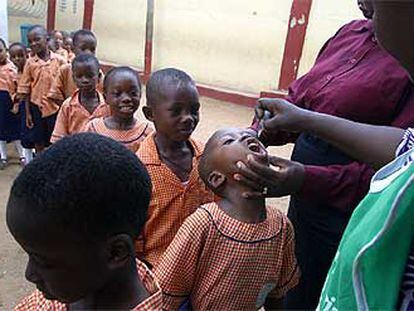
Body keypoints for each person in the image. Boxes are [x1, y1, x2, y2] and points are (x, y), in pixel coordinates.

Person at [237, 1, 414, 308]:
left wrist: (306, 177)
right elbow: (303, 97)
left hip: (345, 209)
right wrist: (264, 128)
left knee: (331, 287)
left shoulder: (404, 65)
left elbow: (398, 161)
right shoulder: (348, 34)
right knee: (297, 279)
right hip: (305, 200)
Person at [9, 133, 162, 310]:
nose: (29, 275)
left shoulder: (72, 286)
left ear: (115, 252)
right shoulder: (68, 292)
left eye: (44, 262)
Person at [155, 127, 300, 310]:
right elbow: (169, 288)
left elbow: (278, 292)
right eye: (229, 141)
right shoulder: (204, 223)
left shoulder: (281, 225)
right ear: (217, 179)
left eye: (247, 135)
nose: (246, 137)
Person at [136, 68, 214, 268]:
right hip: (158, 268)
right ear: (150, 114)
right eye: (176, 110)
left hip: (201, 263)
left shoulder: (207, 158)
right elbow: (133, 227)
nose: (188, 118)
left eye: (194, 110)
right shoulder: (138, 169)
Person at [17, 25, 66, 153]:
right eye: (30, 41)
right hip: (36, 107)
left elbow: (66, 86)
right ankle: (40, 165)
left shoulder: (60, 61)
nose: (33, 44)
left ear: (47, 39)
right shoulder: (30, 63)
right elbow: (26, 90)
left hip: (55, 108)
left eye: (37, 39)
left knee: (55, 140)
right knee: (38, 141)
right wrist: (28, 113)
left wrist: (64, 109)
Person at [85, 66, 151, 152]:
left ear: (140, 95)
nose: (126, 99)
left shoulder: (147, 133)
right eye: (117, 94)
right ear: (105, 98)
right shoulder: (93, 129)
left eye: (133, 93)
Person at [51, 54, 110, 143]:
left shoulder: (108, 105)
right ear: (74, 79)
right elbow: (59, 137)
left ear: (98, 77)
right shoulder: (68, 106)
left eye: (89, 76)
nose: (84, 80)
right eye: (79, 76)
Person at [48, 29, 103, 107]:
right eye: (83, 49)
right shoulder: (65, 70)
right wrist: (70, 108)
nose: (88, 53)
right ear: (73, 49)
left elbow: (104, 96)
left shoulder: (97, 72)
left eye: (92, 49)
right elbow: (55, 95)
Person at [0, 39, 24, 169]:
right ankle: (3, 157)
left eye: (0, 51)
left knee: (16, 131)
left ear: (6, 51)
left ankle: (22, 156)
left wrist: (16, 105)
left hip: (10, 104)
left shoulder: (12, 68)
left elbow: (18, 89)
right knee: (1, 132)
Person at [8, 42, 34, 165]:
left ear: (26, 55)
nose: (17, 59)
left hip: (33, 106)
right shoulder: (14, 73)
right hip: (22, 107)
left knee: (34, 133)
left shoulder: (32, 70)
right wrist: (16, 101)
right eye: (13, 57)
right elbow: (12, 91)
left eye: (20, 55)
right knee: (25, 134)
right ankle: (27, 160)